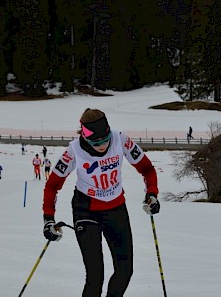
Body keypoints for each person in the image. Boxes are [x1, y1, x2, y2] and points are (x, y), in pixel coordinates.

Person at [42, 108, 160, 297]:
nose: (102, 146)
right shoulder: (74, 150)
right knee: (95, 276)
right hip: (85, 209)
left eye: (105, 140)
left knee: (125, 271)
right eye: (95, 142)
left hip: (115, 208)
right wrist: (48, 218)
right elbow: (52, 185)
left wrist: (152, 194)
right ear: (84, 135)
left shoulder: (120, 139)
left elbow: (147, 169)